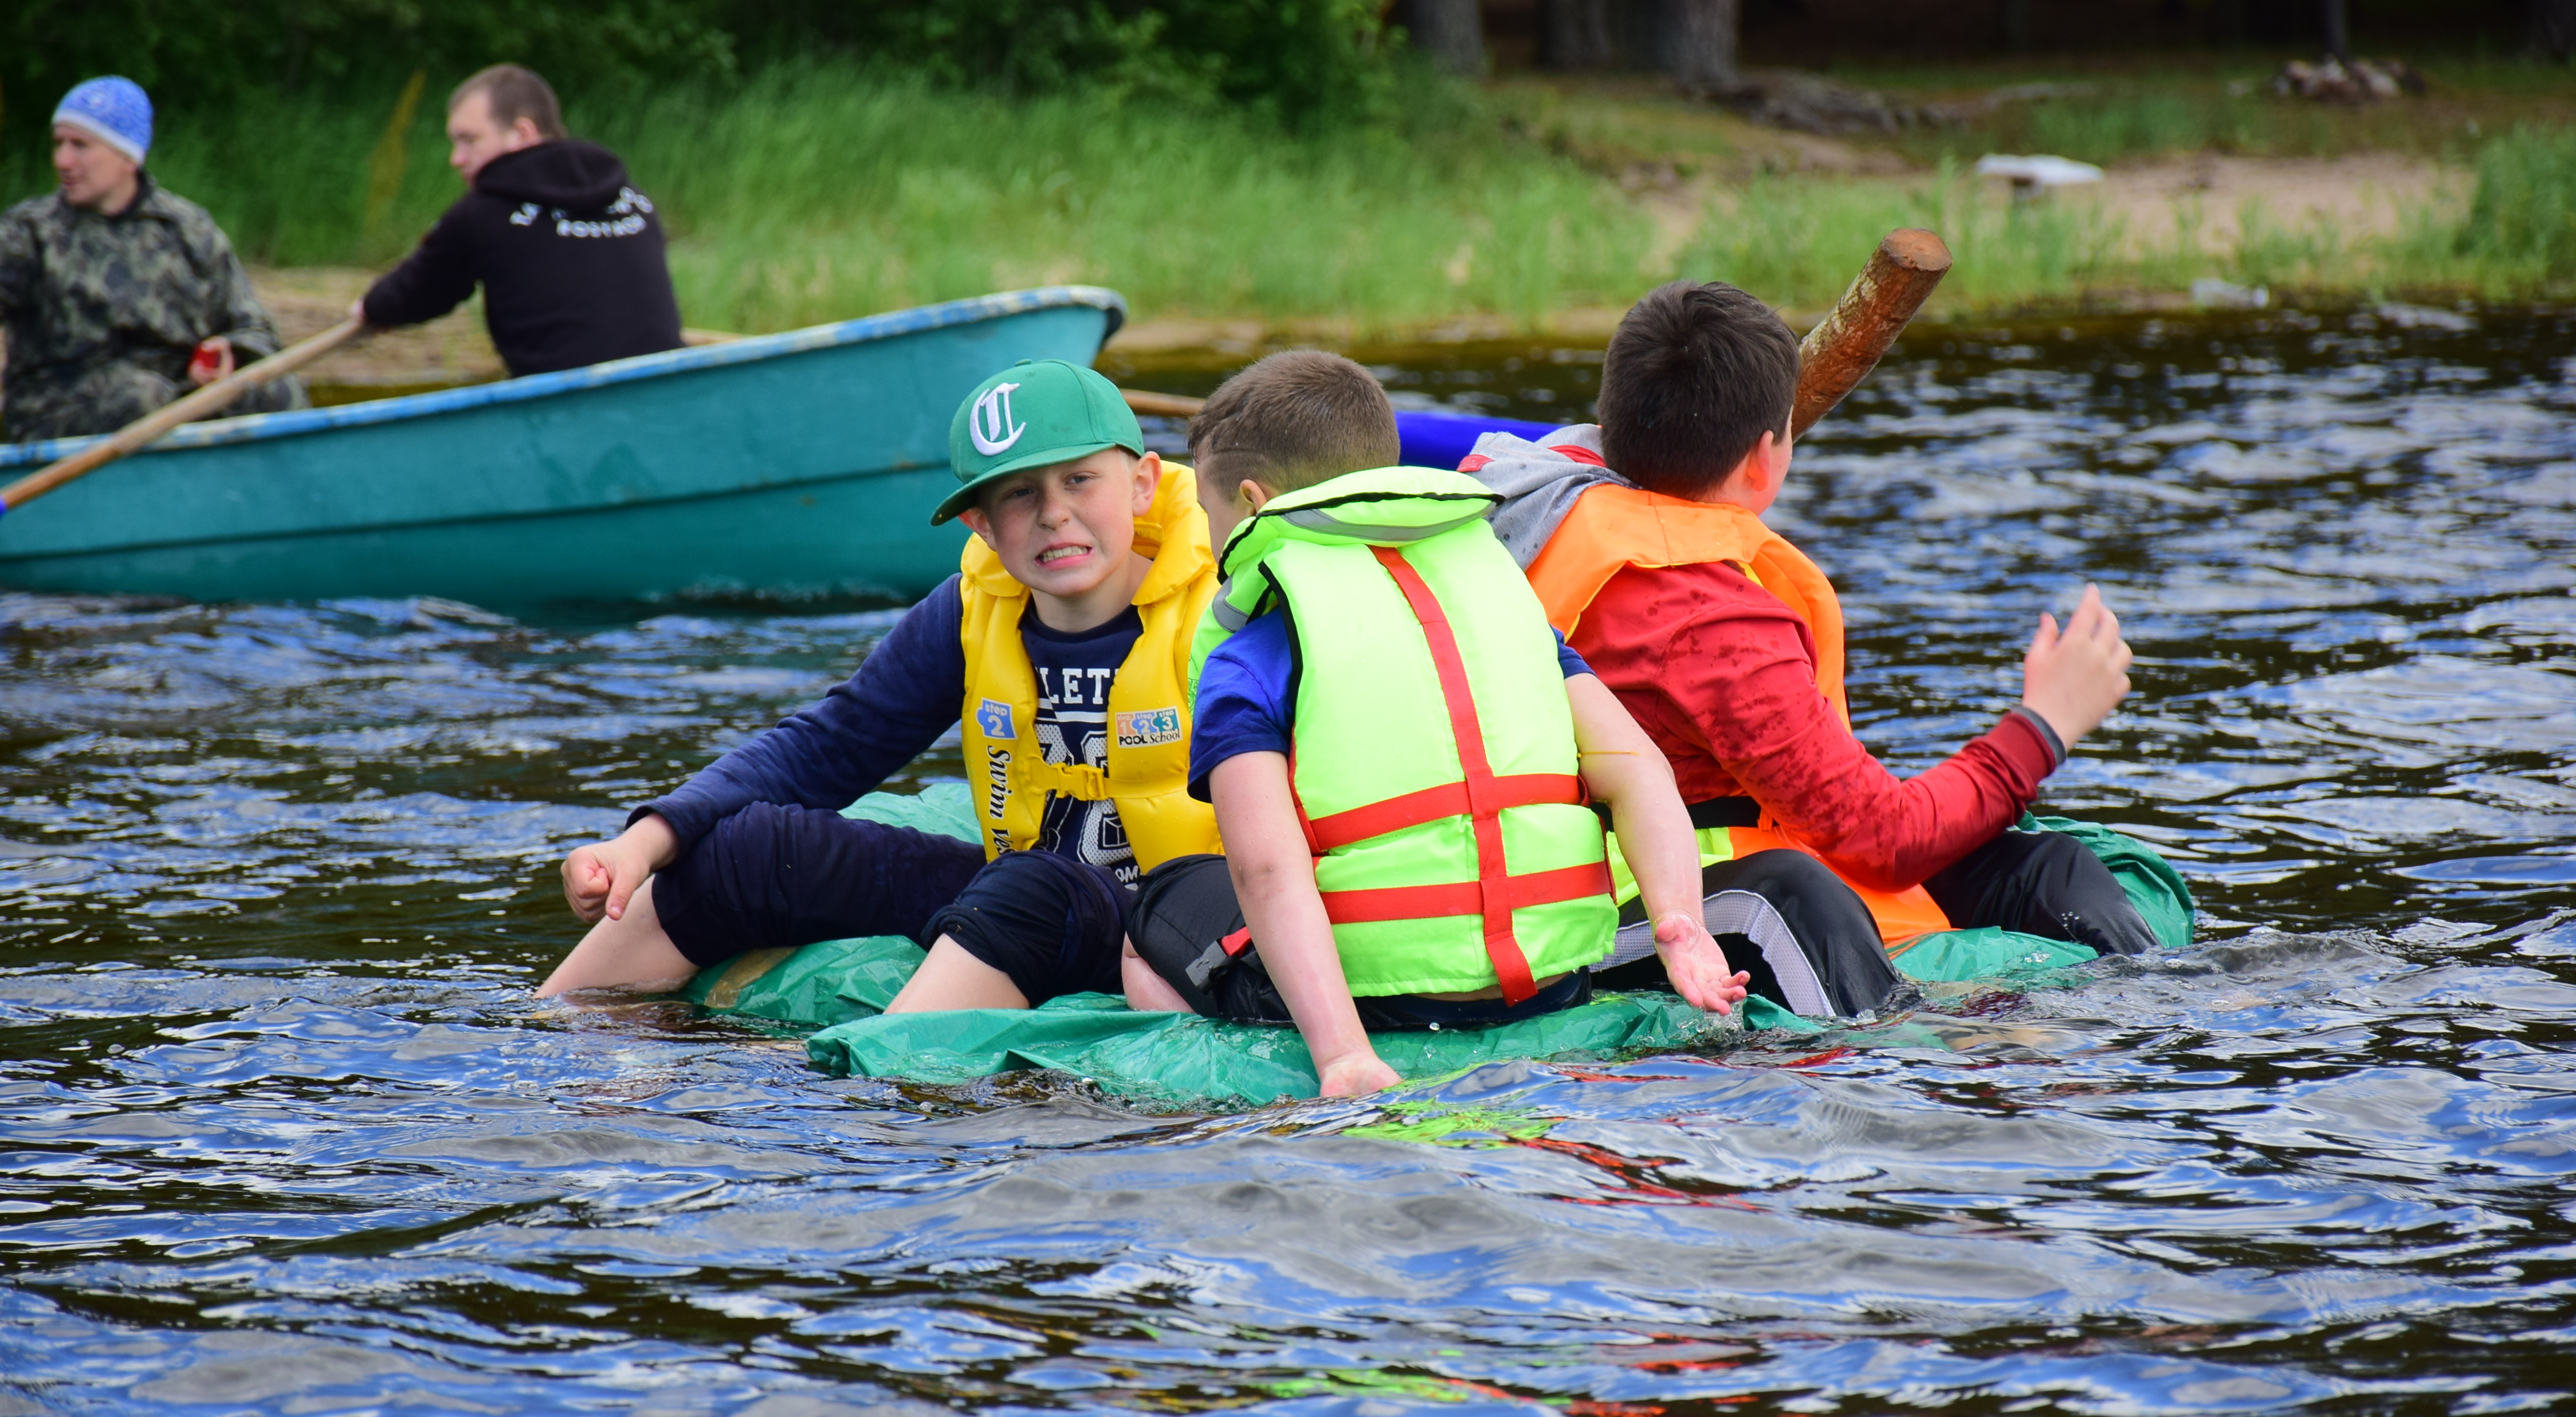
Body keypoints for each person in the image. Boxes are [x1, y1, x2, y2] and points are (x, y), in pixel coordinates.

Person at [1119, 351, 1752, 1100]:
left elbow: (1265, 867)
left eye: (1210, 516)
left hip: (1384, 1003)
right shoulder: (1503, 596)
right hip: (1550, 982)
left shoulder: (1252, 644)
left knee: (1155, 909)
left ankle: (1223, 1082)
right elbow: (1639, 770)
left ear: (1253, 503)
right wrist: (1680, 925)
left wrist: (1343, 1055)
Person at [1468, 280, 2153, 958]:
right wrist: (2044, 725)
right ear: (1762, 459)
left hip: (1713, 850)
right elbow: (1884, 839)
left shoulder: (1535, 489)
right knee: (1806, 895)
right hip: (1647, 899)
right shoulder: (1705, 619)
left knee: (2049, 870)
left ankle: (2133, 990)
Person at [541, 359, 1221, 1010]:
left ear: (1141, 484)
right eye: (1019, 493)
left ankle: (880, 1079)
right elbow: (826, 749)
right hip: (1024, 893)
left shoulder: (1226, 612)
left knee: (1029, 889)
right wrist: (642, 842)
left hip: (1182, 923)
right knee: (746, 851)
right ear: (981, 524)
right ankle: (552, 1038)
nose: (1053, 514)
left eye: (1079, 480)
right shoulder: (968, 612)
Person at [0, 76, 304, 443]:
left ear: (128, 157)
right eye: (59, 143)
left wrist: (231, 353)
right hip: (60, 411)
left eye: (80, 145)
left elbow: (255, 329)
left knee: (277, 389)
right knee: (144, 397)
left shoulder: (188, 229)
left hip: (179, 401)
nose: (62, 160)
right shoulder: (29, 233)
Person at [358, 64, 684, 379]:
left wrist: (371, 308)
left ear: (522, 133)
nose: (457, 159)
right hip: (666, 387)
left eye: (470, 140)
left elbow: (417, 293)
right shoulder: (634, 199)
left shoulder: (482, 214)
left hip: (564, 403)